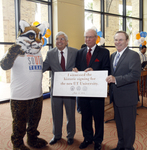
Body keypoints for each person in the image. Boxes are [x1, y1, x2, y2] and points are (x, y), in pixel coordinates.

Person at [0, 20, 48, 150]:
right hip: (20, 95)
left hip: (37, 94)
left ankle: (32, 138)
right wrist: (13, 51)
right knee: (19, 123)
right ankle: (18, 143)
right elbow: (4, 65)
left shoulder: (38, 51)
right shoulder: (16, 50)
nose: (37, 40)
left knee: (34, 120)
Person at [73, 28, 110, 150]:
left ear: (96, 38)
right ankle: (87, 138)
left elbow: (107, 70)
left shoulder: (104, 52)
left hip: (97, 92)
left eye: (90, 37)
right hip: (83, 92)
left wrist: (95, 72)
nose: (87, 39)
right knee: (85, 117)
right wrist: (75, 70)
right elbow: (77, 67)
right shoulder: (80, 52)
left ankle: (98, 140)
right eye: (86, 37)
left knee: (98, 117)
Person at [106, 31, 141, 150]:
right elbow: (110, 73)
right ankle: (120, 145)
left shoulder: (133, 55)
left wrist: (116, 79)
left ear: (127, 41)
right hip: (116, 97)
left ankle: (128, 147)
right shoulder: (113, 55)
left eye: (121, 40)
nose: (118, 42)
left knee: (128, 126)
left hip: (127, 98)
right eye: (116, 40)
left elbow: (135, 75)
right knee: (119, 125)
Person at [43, 31, 78, 145]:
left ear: (67, 41)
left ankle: (70, 135)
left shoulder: (75, 52)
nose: (59, 41)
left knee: (70, 114)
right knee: (56, 113)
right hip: (56, 90)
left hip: (70, 89)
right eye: (57, 39)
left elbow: (80, 66)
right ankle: (56, 135)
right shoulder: (50, 53)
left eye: (62, 39)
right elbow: (44, 66)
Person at [76, 43, 87, 114]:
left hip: (87, 79)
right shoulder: (79, 55)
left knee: (80, 94)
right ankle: (79, 108)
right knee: (79, 94)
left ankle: (79, 108)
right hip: (80, 78)